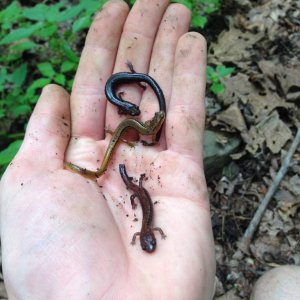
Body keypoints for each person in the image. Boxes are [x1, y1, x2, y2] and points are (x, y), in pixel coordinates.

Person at [0, 0, 216, 299]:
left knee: (131, 168)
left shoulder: (131, 128)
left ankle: (123, 158)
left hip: (126, 132)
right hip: (125, 136)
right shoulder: (132, 130)